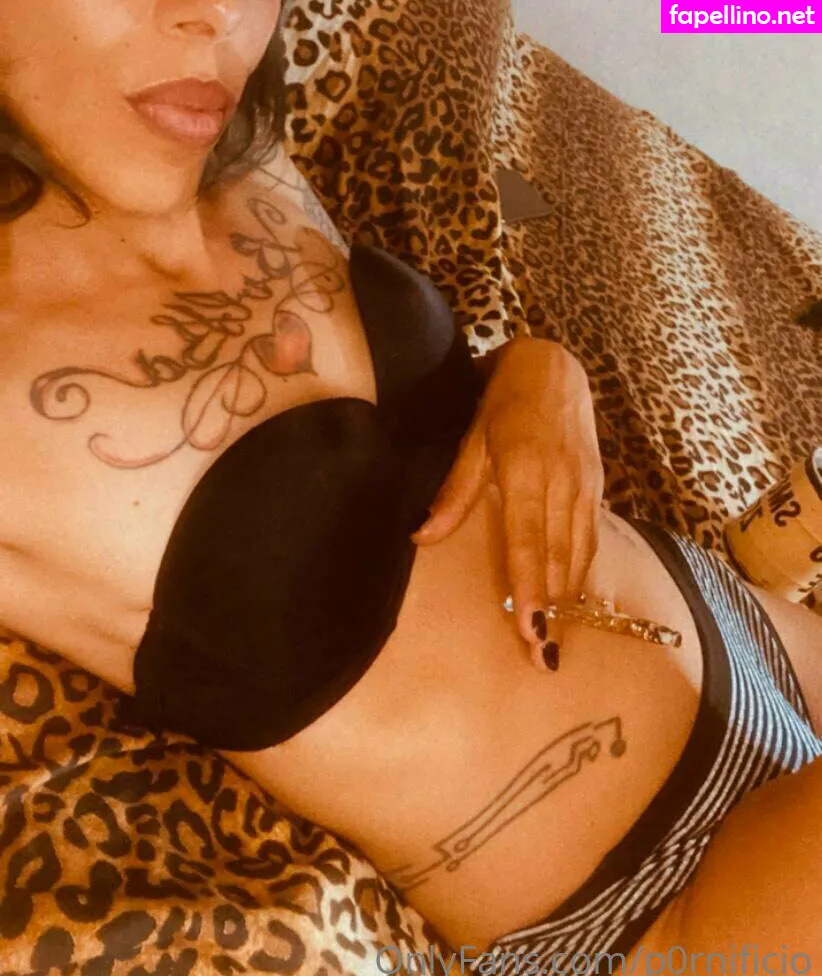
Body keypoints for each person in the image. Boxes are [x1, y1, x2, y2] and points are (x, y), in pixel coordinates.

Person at [0, 3, 819, 974]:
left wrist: (539, 372)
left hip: (750, 633)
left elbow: (411, 419)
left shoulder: (227, 149)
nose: (215, 19)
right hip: (655, 908)